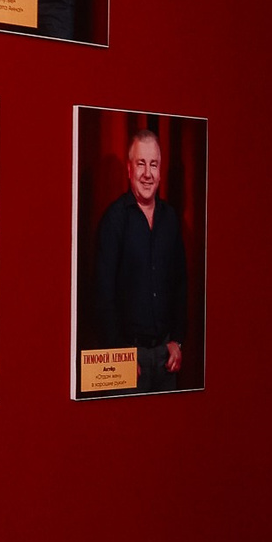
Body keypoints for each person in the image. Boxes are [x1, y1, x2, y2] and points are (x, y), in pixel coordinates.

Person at [91, 127, 187, 392]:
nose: (147, 173)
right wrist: (119, 353)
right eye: (141, 163)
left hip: (166, 358)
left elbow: (180, 284)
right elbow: (102, 294)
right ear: (129, 169)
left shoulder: (170, 219)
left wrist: (178, 340)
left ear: (160, 171)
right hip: (128, 357)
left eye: (153, 165)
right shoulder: (114, 220)